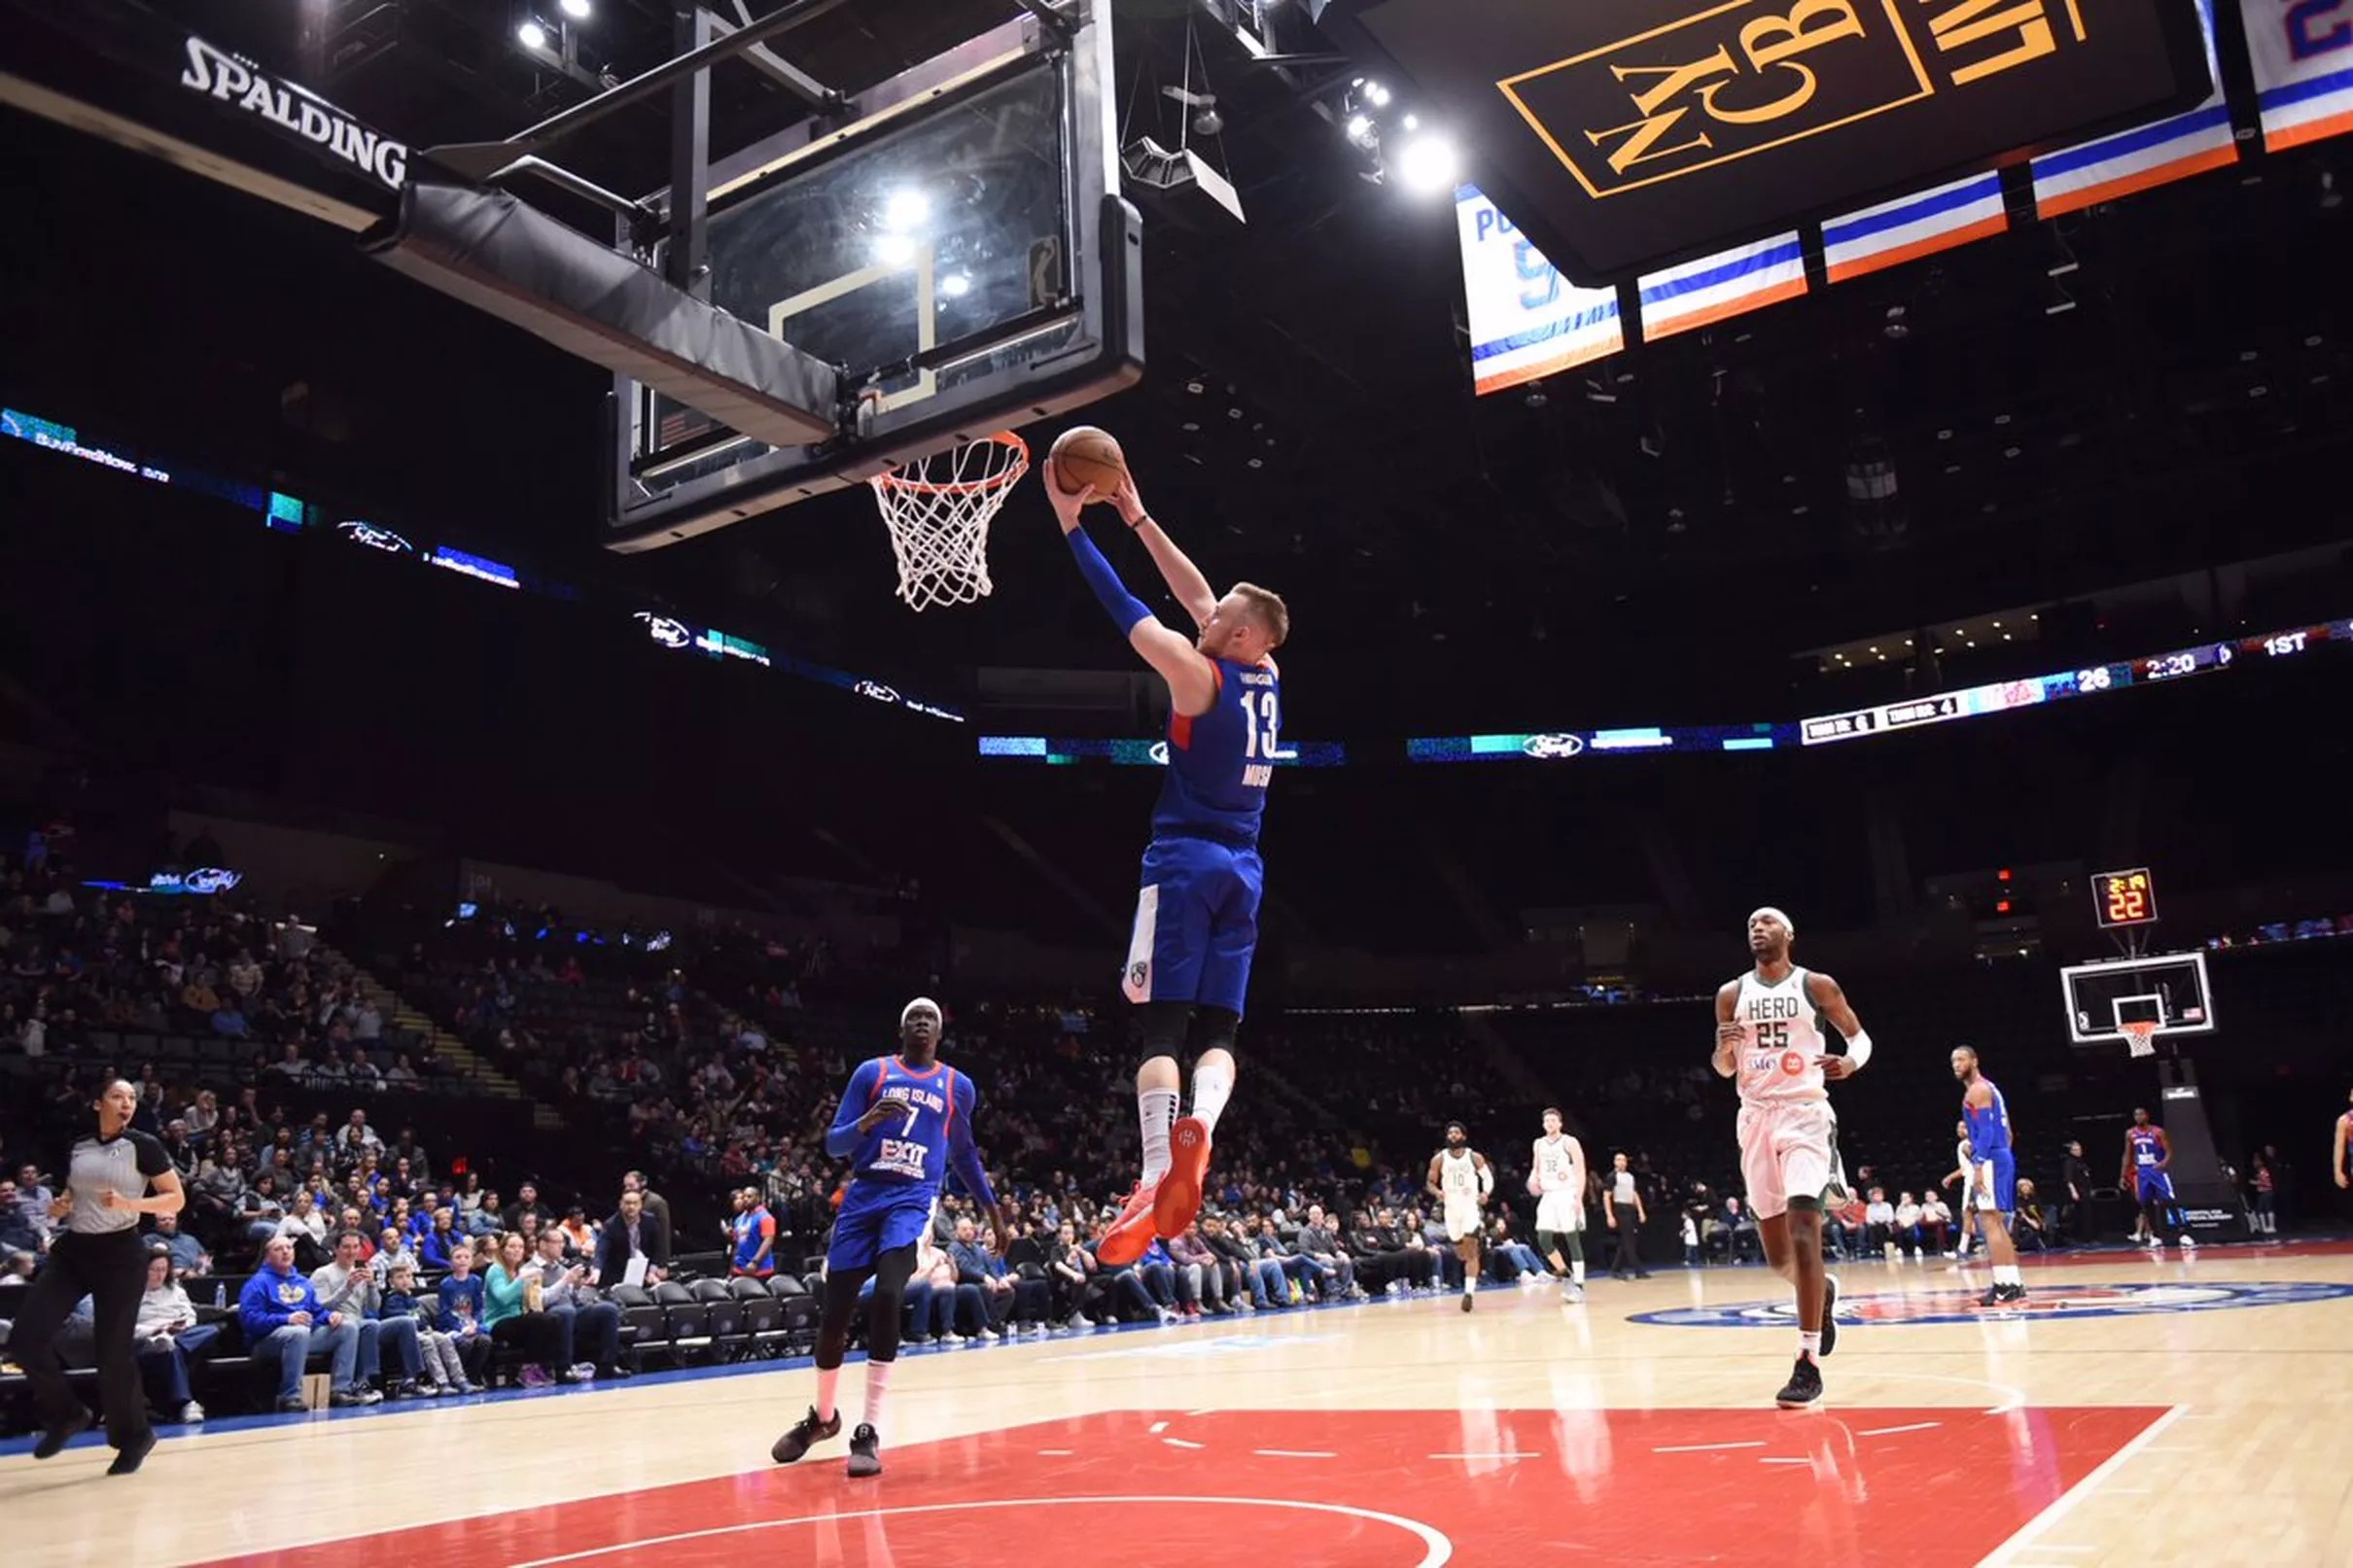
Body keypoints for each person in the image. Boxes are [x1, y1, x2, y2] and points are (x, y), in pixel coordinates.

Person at [1045, 460, 1289, 1266]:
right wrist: (1140, 515)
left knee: (1161, 1025)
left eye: (1224, 613)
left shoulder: (1194, 675)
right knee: (1220, 1028)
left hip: (1183, 861)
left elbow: (1130, 611)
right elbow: (1194, 595)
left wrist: (1073, 526)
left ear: (1243, 634)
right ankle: (1203, 1137)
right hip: (1245, 870)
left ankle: (1155, 1173)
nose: (1209, 610)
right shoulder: (1266, 673)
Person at [772, 997, 1007, 1479]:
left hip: (912, 1200)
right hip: (864, 1197)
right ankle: (822, 1420)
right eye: (913, 1018)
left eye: (930, 1019)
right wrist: (868, 1122)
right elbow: (835, 1143)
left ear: (939, 1033)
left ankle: (869, 1430)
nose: (922, 1023)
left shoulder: (956, 1086)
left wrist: (994, 1213)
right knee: (834, 1312)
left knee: (886, 1295)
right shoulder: (871, 1073)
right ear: (901, 1030)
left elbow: (963, 1152)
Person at [1712, 906, 1872, 1410]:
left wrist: (1850, 1061)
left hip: (1804, 1114)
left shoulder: (1816, 985)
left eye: (1766, 922)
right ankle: (1820, 1290)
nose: (1757, 928)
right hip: (1755, 1117)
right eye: (1751, 925)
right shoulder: (1731, 994)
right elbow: (1723, 1069)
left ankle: (1807, 1363)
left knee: (1806, 1228)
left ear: (1789, 935)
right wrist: (1721, 1050)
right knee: (1781, 1258)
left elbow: (1860, 1038)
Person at [12, 1078, 186, 1474]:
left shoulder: (144, 1145)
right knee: (25, 1340)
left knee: (113, 1356)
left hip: (121, 1255)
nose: (126, 1103)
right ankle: (67, 1413)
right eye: (117, 1096)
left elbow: (176, 1197)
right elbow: (76, 1192)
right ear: (98, 1103)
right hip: (74, 1251)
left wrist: (130, 1203)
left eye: (132, 1098)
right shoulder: (79, 1145)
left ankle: (135, 1436)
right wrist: (62, 1206)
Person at [240, 1234, 370, 1413]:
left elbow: (316, 1311)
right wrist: (286, 1319)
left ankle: (341, 1389)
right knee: (298, 1332)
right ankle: (290, 1396)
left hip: (302, 1337)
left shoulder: (302, 1282)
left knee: (347, 1327)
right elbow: (249, 1321)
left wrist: (329, 1316)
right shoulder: (257, 1283)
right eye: (278, 1249)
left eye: (289, 1248)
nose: (285, 1252)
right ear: (267, 1256)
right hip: (267, 1340)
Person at [1951, 1046, 2024, 1305]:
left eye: (1961, 1059)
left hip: (1991, 1158)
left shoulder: (1977, 1090)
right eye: (1953, 1061)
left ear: (1974, 1060)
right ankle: (2013, 1283)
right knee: (1997, 1222)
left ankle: (2003, 1286)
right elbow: (2008, 1133)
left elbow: (1985, 1131)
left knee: (1989, 1222)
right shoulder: (1991, 1088)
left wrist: (1980, 1163)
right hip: (2001, 1155)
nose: (1956, 1065)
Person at [132, 1247, 216, 1425]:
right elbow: (126, 1328)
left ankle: (172, 1342)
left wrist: (180, 1328)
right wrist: (155, 1329)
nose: (158, 1275)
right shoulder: (130, 1293)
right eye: (154, 1269)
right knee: (170, 1349)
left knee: (212, 1330)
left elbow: (190, 1315)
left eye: (163, 1270)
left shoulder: (176, 1290)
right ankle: (186, 1404)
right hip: (147, 1339)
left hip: (177, 1334)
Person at [1425, 1123, 1492, 1312]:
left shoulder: (1474, 1157)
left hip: (1470, 1206)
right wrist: (1436, 1191)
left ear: (1463, 1135)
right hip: (1451, 1210)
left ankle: (1468, 1293)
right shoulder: (1439, 1159)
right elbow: (1430, 1182)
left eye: (1456, 1132)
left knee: (1470, 1251)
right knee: (1460, 1253)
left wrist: (1486, 1192)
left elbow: (1488, 1177)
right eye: (1450, 1133)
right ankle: (1474, 1266)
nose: (1453, 1135)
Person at [1529, 1107, 1589, 1301]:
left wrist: (1578, 1198)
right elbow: (1535, 1168)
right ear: (1543, 1124)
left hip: (1567, 1193)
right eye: (1547, 1121)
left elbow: (1580, 1171)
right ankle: (1565, 1273)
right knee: (1543, 1238)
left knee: (1572, 1238)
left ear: (1560, 1123)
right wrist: (1533, 1181)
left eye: (1553, 1120)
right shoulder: (1538, 1144)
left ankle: (1579, 1286)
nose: (1550, 1123)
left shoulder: (1569, 1142)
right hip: (1549, 1195)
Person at [2123, 1107, 2196, 1252]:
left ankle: (2183, 1233)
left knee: (2170, 1200)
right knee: (2146, 1203)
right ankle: (2155, 1236)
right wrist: (2124, 1174)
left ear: (2147, 1115)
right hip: (2142, 1172)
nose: (2139, 1117)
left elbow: (2169, 1151)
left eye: (2141, 1114)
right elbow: (2127, 1154)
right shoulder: (2130, 1133)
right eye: (2136, 1114)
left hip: (2157, 1171)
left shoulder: (2158, 1132)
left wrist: (2163, 1163)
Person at [1602, 1153, 1650, 1280]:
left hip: (1630, 1208)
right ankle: (1638, 1270)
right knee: (1629, 1240)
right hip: (1620, 1208)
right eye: (1619, 1160)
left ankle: (1615, 1269)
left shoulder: (1630, 1177)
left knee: (1625, 1242)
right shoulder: (1612, 1176)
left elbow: (1634, 1194)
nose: (1622, 1162)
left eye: (1623, 1160)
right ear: (1614, 1162)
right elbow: (1606, 1196)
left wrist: (1641, 1211)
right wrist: (1609, 1215)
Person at [728, 1186, 778, 1279]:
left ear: (758, 1198)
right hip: (739, 1269)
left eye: (749, 1197)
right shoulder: (739, 1219)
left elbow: (768, 1241)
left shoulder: (765, 1217)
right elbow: (737, 1245)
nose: (746, 1199)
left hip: (759, 1270)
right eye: (744, 1197)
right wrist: (731, 1269)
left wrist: (755, 1262)